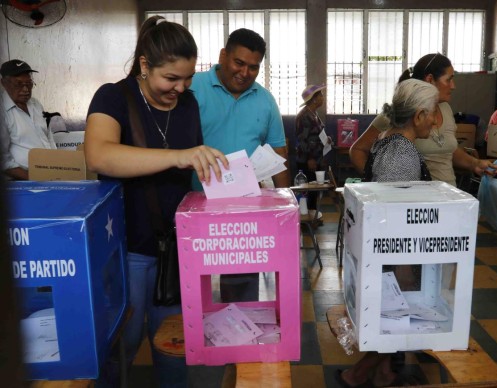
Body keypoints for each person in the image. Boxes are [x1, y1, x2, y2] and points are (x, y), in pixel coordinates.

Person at [84, 16, 228, 387]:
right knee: (122, 344)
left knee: (174, 343)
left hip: (176, 248)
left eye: (188, 78)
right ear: (145, 65)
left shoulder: (188, 104)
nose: (180, 88)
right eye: (171, 78)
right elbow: (99, 155)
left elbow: (185, 178)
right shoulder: (113, 97)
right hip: (126, 246)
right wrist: (179, 155)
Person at [338, 79, 439, 388]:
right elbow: (394, 214)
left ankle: (383, 374)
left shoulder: (386, 139)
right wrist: (404, 267)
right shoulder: (401, 152)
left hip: (389, 250)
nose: (436, 120)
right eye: (433, 113)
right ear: (419, 115)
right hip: (396, 253)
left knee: (393, 315)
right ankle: (356, 375)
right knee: (399, 314)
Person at [190, 28, 289, 303]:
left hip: (243, 215)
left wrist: (287, 212)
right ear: (223, 56)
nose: (245, 73)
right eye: (239, 63)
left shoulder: (265, 100)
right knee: (190, 288)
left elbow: (278, 156)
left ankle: (239, 337)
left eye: (254, 67)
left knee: (242, 293)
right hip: (193, 209)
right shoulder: (191, 88)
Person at [350, 53, 497, 185]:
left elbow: (449, 150)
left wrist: (475, 163)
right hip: (419, 205)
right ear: (430, 79)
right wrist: (376, 181)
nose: (453, 86)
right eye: (449, 80)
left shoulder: (446, 110)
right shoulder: (398, 115)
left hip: (445, 197)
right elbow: (358, 149)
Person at [1, 59, 56, 180]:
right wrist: (34, 178)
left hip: (50, 175)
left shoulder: (35, 104)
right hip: (20, 182)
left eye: (29, 84)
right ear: (4, 83)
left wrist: (57, 169)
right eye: (19, 84)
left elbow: (48, 137)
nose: (26, 89)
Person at [295, 83, 331, 209]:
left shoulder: (314, 114)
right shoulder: (304, 116)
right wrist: (310, 158)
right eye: (320, 95)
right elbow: (302, 140)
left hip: (316, 158)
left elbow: (316, 134)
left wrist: (326, 140)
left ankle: (312, 216)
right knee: (308, 190)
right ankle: (307, 218)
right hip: (307, 160)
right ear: (314, 99)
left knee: (315, 189)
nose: (323, 97)